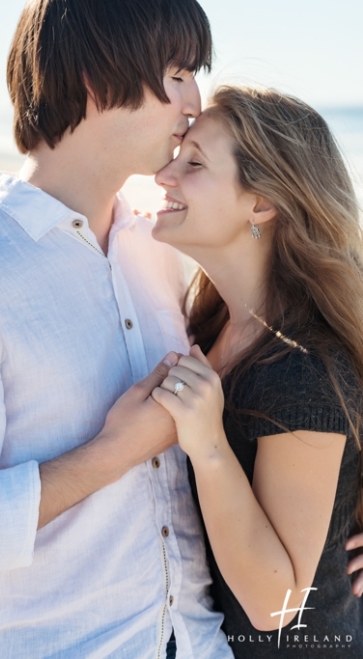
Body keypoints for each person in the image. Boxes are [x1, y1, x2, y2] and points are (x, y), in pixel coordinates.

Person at [0, 0, 231, 658]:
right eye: (176, 73)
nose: (195, 100)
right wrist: (112, 453)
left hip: (196, 641)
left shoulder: (155, 240)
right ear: (95, 81)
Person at [148, 85, 363, 654]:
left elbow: (276, 607)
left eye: (194, 163)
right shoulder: (204, 324)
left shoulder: (303, 369)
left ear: (262, 203)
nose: (164, 175)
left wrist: (210, 446)